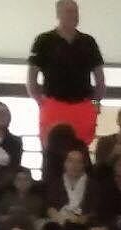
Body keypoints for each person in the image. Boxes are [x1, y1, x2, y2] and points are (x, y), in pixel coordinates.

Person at [26, 0, 104, 145]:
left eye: (75, 11)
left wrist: (95, 103)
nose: (73, 15)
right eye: (68, 11)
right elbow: (32, 78)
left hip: (83, 105)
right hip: (54, 104)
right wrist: (40, 102)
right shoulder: (44, 40)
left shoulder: (88, 41)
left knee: (81, 151)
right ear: (58, 14)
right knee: (52, 151)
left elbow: (100, 80)